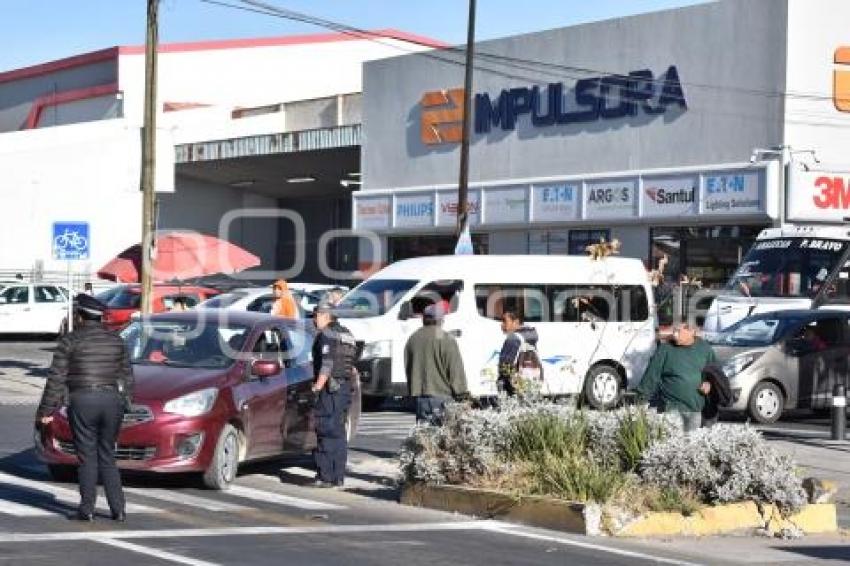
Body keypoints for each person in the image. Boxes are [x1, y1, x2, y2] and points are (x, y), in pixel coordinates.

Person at [36, 294, 134, 522]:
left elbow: (56, 379)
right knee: (108, 454)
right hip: (111, 400)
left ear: (80, 315)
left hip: (82, 400)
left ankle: (87, 509)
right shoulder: (116, 340)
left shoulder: (70, 341)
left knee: (87, 456)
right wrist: (126, 401)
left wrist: (46, 412)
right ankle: (118, 509)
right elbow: (127, 376)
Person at [635, 323, 716, 432]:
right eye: (674, 331)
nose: (674, 335)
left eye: (678, 331)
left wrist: (709, 383)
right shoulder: (665, 349)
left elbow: (715, 372)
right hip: (671, 407)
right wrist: (641, 398)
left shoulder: (705, 349)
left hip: (695, 407)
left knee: (690, 443)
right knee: (672, 440)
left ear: (691, 332)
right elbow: (652, 374)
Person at [310, 300, 357, 488]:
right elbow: (352, 364)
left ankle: (326, 477)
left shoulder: (327, 335)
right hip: (344, 389)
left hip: (330, 390)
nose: (314, 320)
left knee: (326, 430)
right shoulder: (347, 334)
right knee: (338, 432)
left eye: (316, 315)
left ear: (326, 316)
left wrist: (317, 386)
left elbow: (327, 363)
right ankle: (338, 476)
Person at [404, 303, 469, 423]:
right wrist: (463, 396)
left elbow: (408, 368)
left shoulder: (413, 339)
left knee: (425, 438)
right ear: (440, 320)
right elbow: (455, 372)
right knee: (444, 438)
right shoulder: (446, 339)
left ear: (424, 319)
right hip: (443, 399)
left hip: (421, 399)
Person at [497, 310, 540, 396]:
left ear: (515, 322)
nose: (502, 325)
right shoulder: (530, 335)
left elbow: (505, 365)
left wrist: (501, 381)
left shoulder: (513, 339)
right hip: (532, 380)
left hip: (514, 384)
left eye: (505, 321)